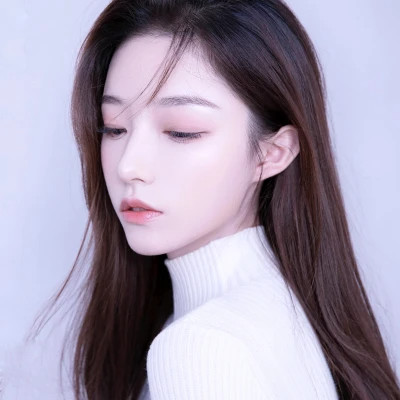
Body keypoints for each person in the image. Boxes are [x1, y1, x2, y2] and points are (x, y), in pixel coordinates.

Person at [33, 0, 400, 399]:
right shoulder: (282, 313)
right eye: (114, 128)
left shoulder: (201, 348)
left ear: (273, 153)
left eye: (181, 131)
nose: (129, 166)